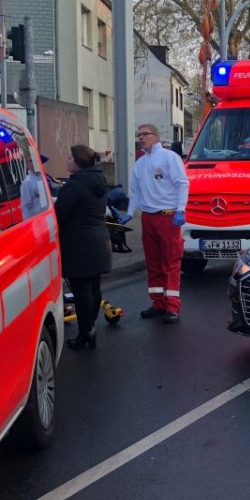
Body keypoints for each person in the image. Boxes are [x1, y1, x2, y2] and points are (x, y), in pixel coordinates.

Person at [119, 123, 190, 324]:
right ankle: (158, 303)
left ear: (156, 137)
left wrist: (181, 209)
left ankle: (172, 307)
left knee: (170, 262)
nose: (141, 138)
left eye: (145, 134)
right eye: (139, 134)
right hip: (149, 217)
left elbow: (182, 184)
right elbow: (136, 192)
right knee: (154, 263)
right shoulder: (140, 164)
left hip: (168, 216)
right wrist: (130, 212)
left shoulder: (169, 158)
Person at [55, 145, 112, 350]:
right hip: (98, 240)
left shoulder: (74, 186)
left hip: (79, 244)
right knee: (94, 287)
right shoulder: (100, 181)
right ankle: (91, 327)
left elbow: (59, 215)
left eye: (70, 158)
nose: (67, 161)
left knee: (81, 291)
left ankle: (86, 332)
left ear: (78, 162)